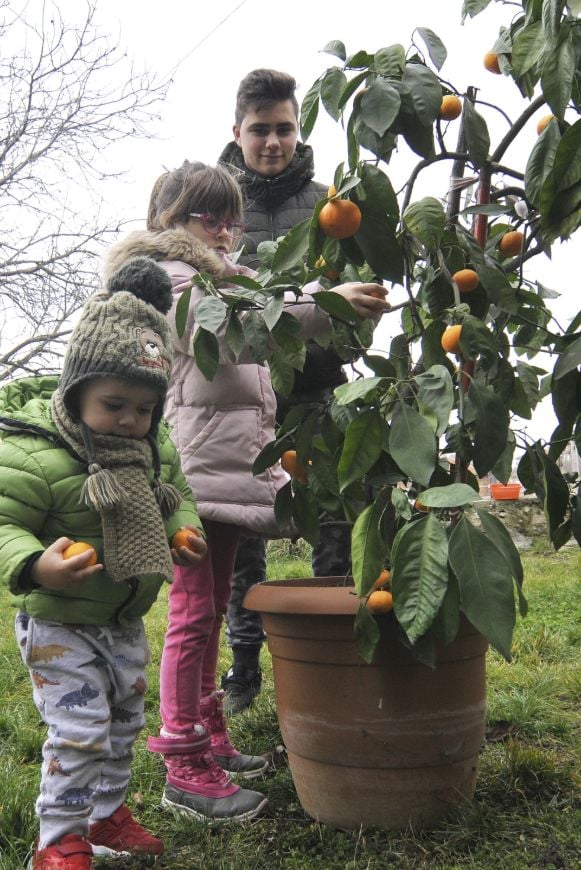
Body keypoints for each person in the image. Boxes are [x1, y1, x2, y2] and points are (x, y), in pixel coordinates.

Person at [105, 159, 389, 822]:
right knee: (193, 614)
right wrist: (328, 304)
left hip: (223, 469)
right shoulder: (168, 281)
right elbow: (234, 329)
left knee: (210, 610)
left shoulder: (223, 281)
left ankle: (208, 734)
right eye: (211, 215)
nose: (226, 228)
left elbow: (263, 317)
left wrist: (336, 304)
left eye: (231, 215)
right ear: (168, 220)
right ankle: (182, 760)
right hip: (195, 472)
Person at [0, 257, 208, 869]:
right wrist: (36, 564)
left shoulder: (149, 450)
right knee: (81, 728)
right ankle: (59, 837)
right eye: (114, 403)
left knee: (122, 721)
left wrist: (183, 530)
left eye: (144, 409)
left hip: (122, 620)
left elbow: (178, 496)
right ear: (75, 390)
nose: (130, 420)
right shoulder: (35, 452)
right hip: (60, 623)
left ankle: (105, 814)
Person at [218, 69, 355, 714]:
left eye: (284, 129)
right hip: (245, 395)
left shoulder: (333, 203)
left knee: (334, 519)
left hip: (319, 389)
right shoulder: (215, 212)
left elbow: (358, 286)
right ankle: (243, 671)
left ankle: (333, 659)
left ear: (299, 130)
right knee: (245, 535)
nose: (273, 141)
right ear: (237, 131)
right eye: (260, 129)